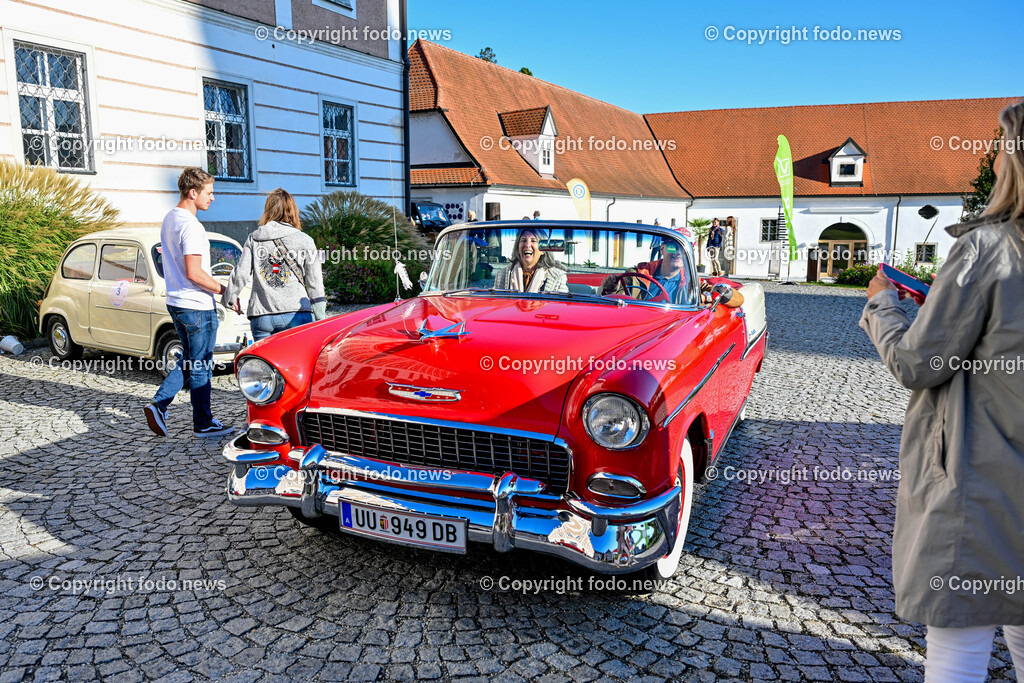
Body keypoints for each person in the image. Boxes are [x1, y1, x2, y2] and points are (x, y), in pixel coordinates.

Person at [859, 99, 1024, 682]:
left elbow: (917, 362)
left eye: (1003, 146)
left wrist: (883, 303)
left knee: (960, 648)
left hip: (982, 483)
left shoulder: (989, 250)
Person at [144, 168, 233, 439]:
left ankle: (161, 406)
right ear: (193, 193)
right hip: (196, 305)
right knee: (201, 364)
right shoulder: (192, 226)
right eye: (209, 192)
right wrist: (224, 291)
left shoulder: (170, 218)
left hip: (177, 301)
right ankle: (199, 420)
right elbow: (194, 273)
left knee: (191, 359)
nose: (213, 198)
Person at [222, 188, 326, 342]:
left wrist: (229, 299)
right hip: (296, 313)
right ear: (293, 211)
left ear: (268, 210)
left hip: (262, 315)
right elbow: (314, 282)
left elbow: (241, 274)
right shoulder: (305, 240)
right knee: (296, 364)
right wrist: (320, 316)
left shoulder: (255, 238)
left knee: (265, 365)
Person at [603, 240, 689, 304]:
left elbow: (700, 303)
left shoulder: (692, 283)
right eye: (673, 247)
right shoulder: (637, 276)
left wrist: (703, 296)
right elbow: (616, 300)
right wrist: (612, 288)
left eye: (684, 249)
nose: (679, 252)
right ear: (662, 249)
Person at [493, 227, 568, 293]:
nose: (527, 245)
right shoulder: (502, 274)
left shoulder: (558, 278)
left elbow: (559, 307)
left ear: (543, 250)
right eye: (523, 240)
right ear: (517, 247)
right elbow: (497, 303)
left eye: (533, 241)